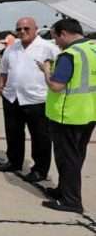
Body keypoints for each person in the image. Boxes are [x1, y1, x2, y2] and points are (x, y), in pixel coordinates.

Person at [38, 18, 95, 213]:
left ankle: (71, 201)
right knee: (76, 156)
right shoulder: (92, 48)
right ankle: (63, 190)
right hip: (88, 113)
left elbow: (56, 86)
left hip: (68, 115)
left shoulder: (69, 55)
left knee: (67, 158)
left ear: (63, 33)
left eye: (55, 38)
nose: (55, 43)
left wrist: (46, 71)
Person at [0, 17, 59, 182]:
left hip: (37, 100)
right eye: (19, 29)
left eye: (26, 28)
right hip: (12, 97)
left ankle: (39, 170)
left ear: (35, 29)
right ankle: (14, 161)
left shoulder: (48, 48)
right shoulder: (12, 48)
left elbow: (59, 73)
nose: (22, 31)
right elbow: (4, 70)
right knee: (13, 133)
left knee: (40, 137)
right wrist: (1, 86)